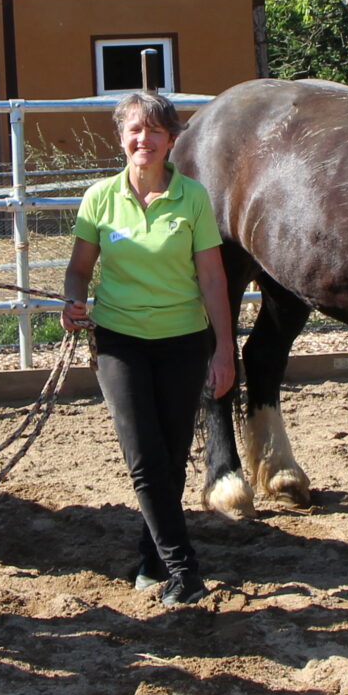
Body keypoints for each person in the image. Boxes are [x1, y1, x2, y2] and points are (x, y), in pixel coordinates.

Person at [63, 91, 237, 607]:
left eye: (155, 131)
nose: (144, 140)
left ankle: (151, 554)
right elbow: (78, 268)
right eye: (135, 130)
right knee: (144, 457)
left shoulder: (193, 199)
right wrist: (73, 300)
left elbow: (212, 279)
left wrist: (223, 348)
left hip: (183, 340)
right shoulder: (99, 198)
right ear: (121, 137)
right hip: (119, 342)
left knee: (174, 457)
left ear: (171, 140)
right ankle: (185, 569)